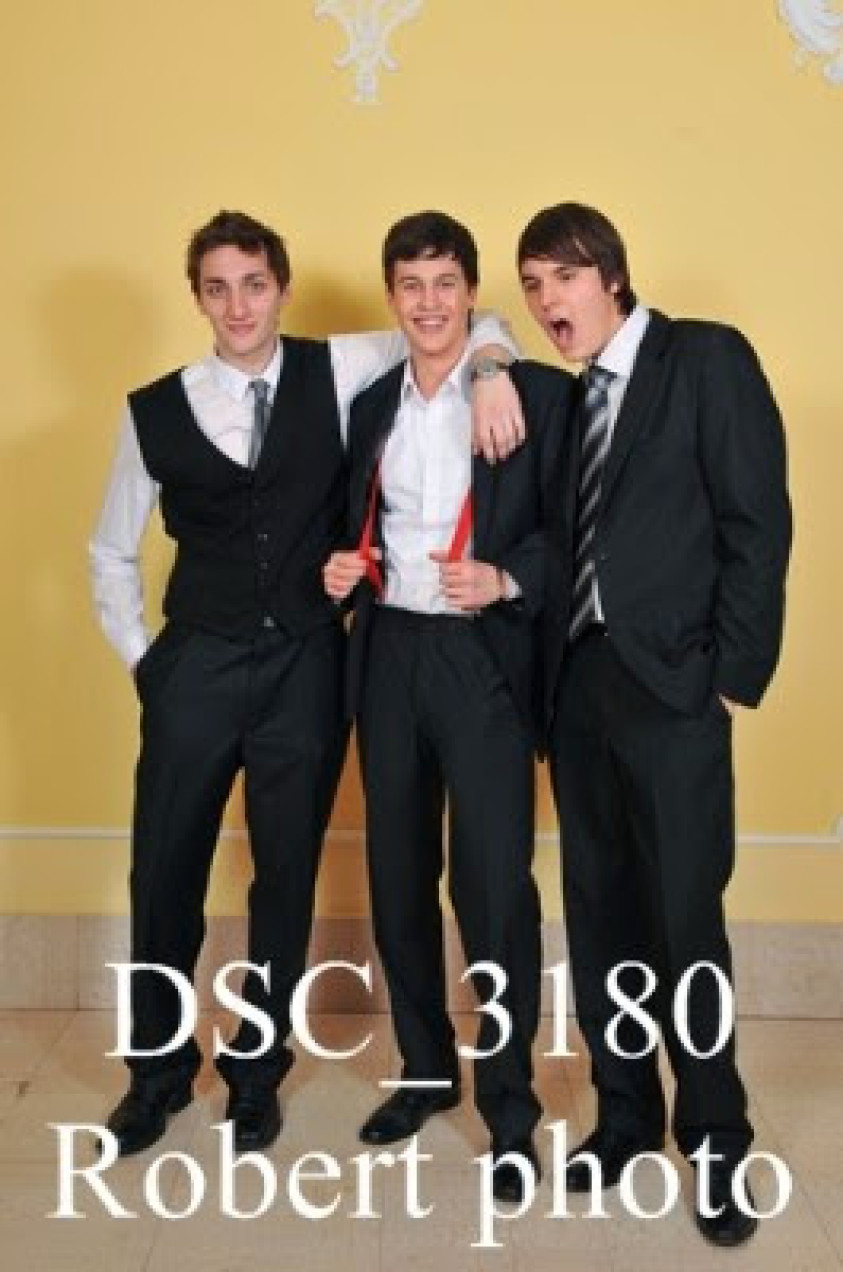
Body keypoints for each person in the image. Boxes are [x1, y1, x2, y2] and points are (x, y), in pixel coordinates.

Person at [89, 209, 523, 1157]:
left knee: (284, 880)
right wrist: (147, 664)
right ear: (198, 298)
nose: (238, 305)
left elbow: (459, 323)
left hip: (307, 668)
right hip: (195, 666)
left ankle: (256, 1076)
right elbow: (109, 551)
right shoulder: (153, 409)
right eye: (217, 288)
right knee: (162, 875)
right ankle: (155, 1076)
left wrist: (492, 368)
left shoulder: (342, 365)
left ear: (281, 289)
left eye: (254, 284)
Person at [517, 201, 791, 1245]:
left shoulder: (704, 359)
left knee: (684, 925)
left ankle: (715, 1140)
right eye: (531, 285)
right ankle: (626, 1116)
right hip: (581, 688)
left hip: (676, 692)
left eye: (561, 277)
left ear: (610, 275)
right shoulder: (569, 396)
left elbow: (757, 523)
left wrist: (729, 681)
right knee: (600, 920)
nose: (545, 300)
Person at [323, 210, 573, 1203]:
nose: (428, 303)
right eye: (410, 285)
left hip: (482, 658)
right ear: (392, 296)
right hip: (387, 651)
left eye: (444, 283)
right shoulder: (367, 403)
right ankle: (426, 1071)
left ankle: (510, 1112)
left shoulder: (529, 395)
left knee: (493, 887)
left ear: (472, 293)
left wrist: (507, 579)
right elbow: (342, 516)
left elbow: (570, 534)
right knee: (396, 875)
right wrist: (336, 568)